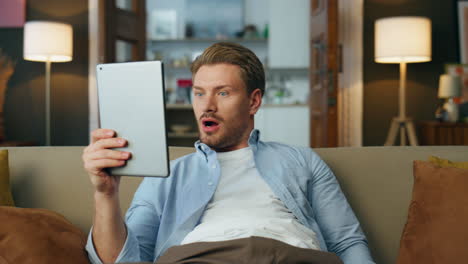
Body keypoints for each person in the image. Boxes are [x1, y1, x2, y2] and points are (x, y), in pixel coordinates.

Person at [83, 42, 375, 264]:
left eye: (222, 93)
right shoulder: (167, 175)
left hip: (288, 255)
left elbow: (347, 243)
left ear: (253, 101)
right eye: (199, 93)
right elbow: (125, 260)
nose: (207, 105)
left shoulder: (301, 161)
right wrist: (105, 194)